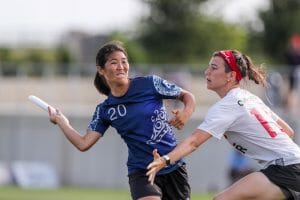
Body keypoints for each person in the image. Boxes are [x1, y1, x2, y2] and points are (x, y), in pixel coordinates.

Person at [48, 41, 196, 200]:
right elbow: (84, 143)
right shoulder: (105, 110)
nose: (121, 66)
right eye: (114, 62)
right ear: (101, 70)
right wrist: (62, 122)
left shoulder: (150, 83)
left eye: (124, 61)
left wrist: (186, 113)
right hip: (142, 170)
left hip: (173, 165)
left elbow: (187, 96)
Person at [147, 50, 300, 200]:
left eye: (214, 68)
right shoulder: (249, 97)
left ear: (231, 76)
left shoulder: (226, 105)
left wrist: (165, 160)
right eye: (208, 67)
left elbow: (194, 142)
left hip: (286, 168)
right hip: (292, 163)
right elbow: (288, 131)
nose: (207, 72)